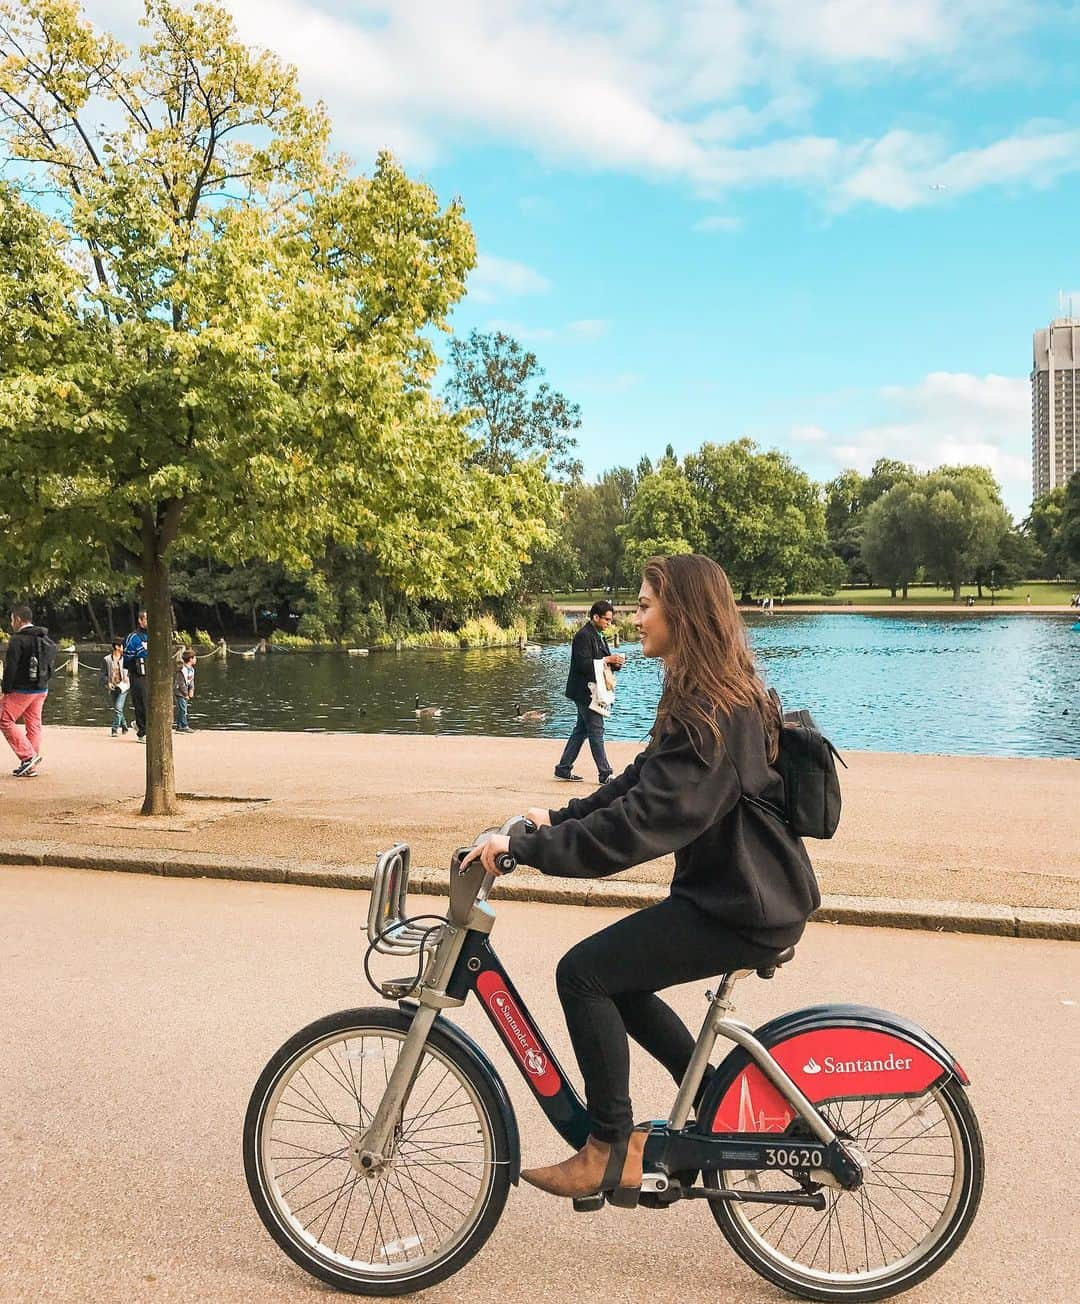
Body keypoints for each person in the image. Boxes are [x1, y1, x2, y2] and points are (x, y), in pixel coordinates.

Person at [462, 554, 820, 1204]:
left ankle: (608, 1149)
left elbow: (641, 825)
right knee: (617, 981)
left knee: (584, 974)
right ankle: (715, 1106)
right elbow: (637, 785)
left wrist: (530, 851)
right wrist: (554, 817)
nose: (634, 615)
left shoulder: (712, 710)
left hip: (741, 907)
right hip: (740, 895)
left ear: (681, 613)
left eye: (646, 604)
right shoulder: (711, 695)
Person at [555, 600, 625, 784]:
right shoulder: (583, 636)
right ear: (595, 617)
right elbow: (584, 665)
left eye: (610, 620)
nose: (609, 623)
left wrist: (615, 663)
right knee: (596, 729)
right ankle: (605, 774)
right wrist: (607, 659)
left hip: (592, 691)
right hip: (584, 692)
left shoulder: (598, 635)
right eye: (607, 619)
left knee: (581, 730)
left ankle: (563, 768)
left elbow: (602, 662)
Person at [1, 604, 57, 777]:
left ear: (18, 619)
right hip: (41, 688)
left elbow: (11, 668)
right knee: (33, 725)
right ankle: (30, 766)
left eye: (12, 620)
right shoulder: (45, 638)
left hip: (23, 690)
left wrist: (5, 689)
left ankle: (28, 756)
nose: (11, 624)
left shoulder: (17, 640)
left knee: (4, 719)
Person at [123, 610, 149, 741]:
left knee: (151, 702)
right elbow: (127, 657)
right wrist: (140, 655)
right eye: (146, 619)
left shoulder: (155, 636)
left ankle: (143, 726)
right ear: (140, 620)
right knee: (141, 702)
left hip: (152, 674)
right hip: (138, 673)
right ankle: (142, 731)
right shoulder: (133, 637)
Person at [100, 639, 130, 736]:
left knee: (118, 707)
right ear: (117, 647)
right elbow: (103, 674)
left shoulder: (126, 658)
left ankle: (114, 729)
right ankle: (124, 726)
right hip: (113, 686)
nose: (123, 648)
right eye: (122, 646)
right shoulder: (107, 659)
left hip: (124, 686)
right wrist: (107, 682)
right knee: (118, 709)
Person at [173, 649, 196, 732]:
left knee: (182, 708)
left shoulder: (192, 669)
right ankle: (184, 725)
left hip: (185, 691)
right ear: (190, 659)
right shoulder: (183, 670)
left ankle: (179, 726)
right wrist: (185, 693)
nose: (195, 660)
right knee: (183, 709)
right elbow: (181, 683)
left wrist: (191, 689)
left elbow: (191, 681)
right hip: (179, 691)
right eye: (194, 658)